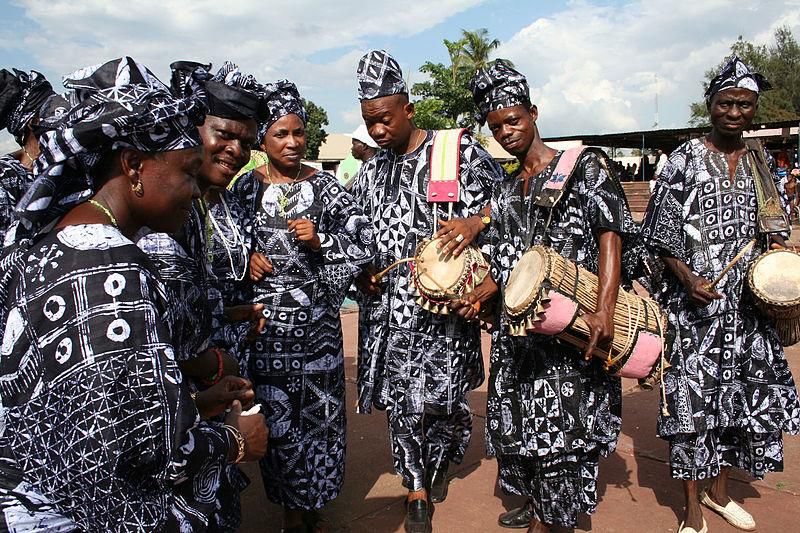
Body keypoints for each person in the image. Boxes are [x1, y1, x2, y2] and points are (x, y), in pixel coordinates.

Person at [0, 56, 267, 533]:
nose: (193, 188)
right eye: (186, 171)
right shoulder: (109, 268)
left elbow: (103, 412)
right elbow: (139, 453)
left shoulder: (59, 240)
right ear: (135, 166)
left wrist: (196, 405)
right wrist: (233, 439)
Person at [467, 59, 641, 533]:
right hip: (520, 333)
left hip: (570, 327)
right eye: (495, 126)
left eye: (513, 120)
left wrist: (604, 310)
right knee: (520, 422)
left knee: (563, 426)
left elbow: (611, 237)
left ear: (534, 112)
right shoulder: (506, 188)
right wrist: (486, 291)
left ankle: (552, 515)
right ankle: (534, 496)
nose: (505, 132)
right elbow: (507, 255)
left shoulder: (583, 166)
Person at [641, 56, 800, 533]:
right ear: (710, 105)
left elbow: (775, 224)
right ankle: (691, 510)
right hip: (694, 309)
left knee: (736, 402)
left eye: (745, 105)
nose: (735, 112)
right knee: (690, 406)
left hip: (747, 315)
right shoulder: (684, 159)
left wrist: (780, 255)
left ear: (755, 109)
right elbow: (658, 233)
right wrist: (687, 279)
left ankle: (720, 493)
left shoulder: (759, 161)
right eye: (726, 102)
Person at [351, 49, 502, 533]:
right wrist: (360, 273)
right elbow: (351, 231)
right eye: (368, 122)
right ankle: (414, 487)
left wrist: (477, 221)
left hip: (444, 318)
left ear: (408, 109)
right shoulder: (370, 172)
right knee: (401, 404)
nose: (377, 132)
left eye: (384, 120)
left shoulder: (454, 152)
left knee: (445, 401)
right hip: (389, 319)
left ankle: (442, 456)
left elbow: (509, 206)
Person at [231, 79, 373, 533]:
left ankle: (314, 505)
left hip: (319, 336)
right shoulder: (243, 191)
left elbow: (364, 244)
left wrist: (322, 242)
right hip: (266, 333)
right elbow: (222, 251)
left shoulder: (329, 187)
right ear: (262, 140)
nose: (292, 143)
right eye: (280, 134)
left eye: (298, 133)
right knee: (278, 422)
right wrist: (244, 258)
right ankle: (292, 512)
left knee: (321, 421)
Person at [0, 69, 66, 235]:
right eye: (52, 109)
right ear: (33, 122)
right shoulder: (6, 178)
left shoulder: (66, 161)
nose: (63, 113)